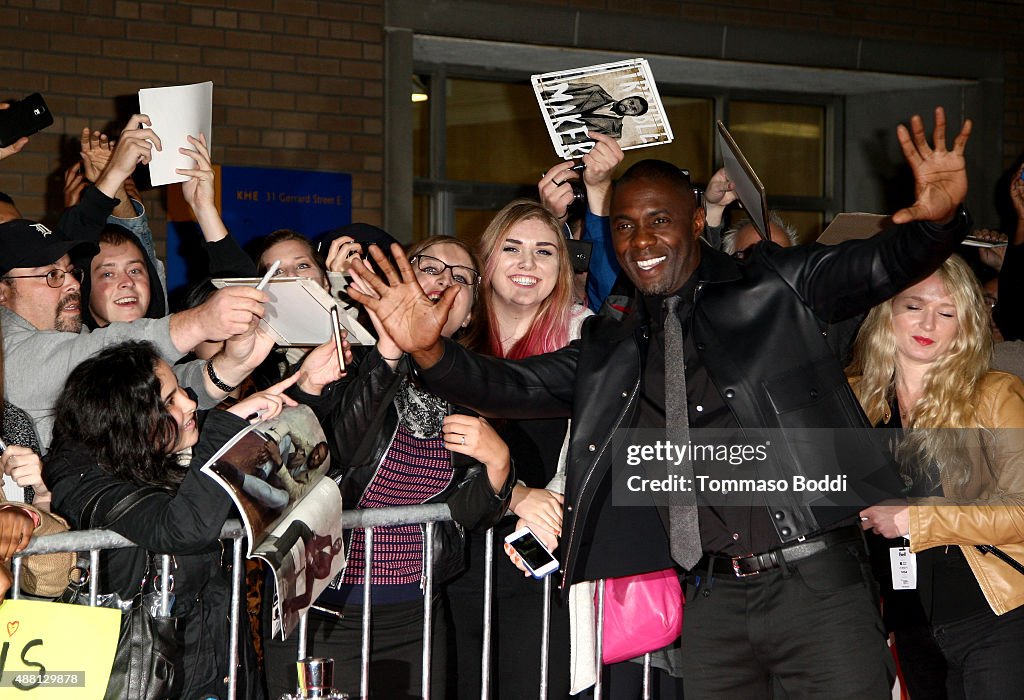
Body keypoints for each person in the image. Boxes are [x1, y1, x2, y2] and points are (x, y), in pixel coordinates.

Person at [348, 107, 973, 698]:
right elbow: (512, 386)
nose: (640, 238)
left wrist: (940, 223)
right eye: (623, 224)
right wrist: (429, 351)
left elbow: (878, 265)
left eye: (659, 220)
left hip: (815, 587)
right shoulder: (612, 340)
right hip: (709, 601)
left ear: (696, 221)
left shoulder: (777, 285)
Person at [263, 236, 515, 699]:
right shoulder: (349, 356)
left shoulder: (475, 386)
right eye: (431, 268)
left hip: (415, 612)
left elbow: (470, 514)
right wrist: (389, 354)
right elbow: (339, 453)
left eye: (461, 278)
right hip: (324, 609)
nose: (444, 280)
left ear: (470, 314)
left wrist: (500, 461)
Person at [43, 339, 320, 699]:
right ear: (130, 420)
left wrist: (309, 392)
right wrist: (225, 428)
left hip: (216, 665)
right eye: (170, 401)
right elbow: (184, 528)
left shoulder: (166, 447)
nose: (190, 403)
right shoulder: (81, 477)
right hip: (132, 675)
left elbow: (281, 479)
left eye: (182, 390)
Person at [850, 255, 1024, 698]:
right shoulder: (857, 402)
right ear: (886, 313)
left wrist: (917, 519)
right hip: (911, 626)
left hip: (998, 615)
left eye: (947, 312)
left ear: (964, 326)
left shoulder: (993, 395)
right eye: (913, 306)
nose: (929, 321)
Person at [448, 200, 589, 698]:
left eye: (544, 251)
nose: (527, 264)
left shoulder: (584, 336)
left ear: (562, 267)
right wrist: (515, 493)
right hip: (455, 552)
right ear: (487, 260)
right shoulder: (453, 338)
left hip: (541, 545)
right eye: (512, 248)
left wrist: (541, 501)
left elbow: (590, 444)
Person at [0, 217, 269, 449]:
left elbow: (149, 387)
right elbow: (98, 356)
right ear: (2, 292)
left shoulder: (72, 335)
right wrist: (200, 321)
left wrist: (233, 365)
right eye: (51, 275)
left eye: (70, 272)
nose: (71, 283)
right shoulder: (7, 354)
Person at [556, 83, 649, 140]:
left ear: (634, 116)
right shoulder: (595, 89)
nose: (629, 106)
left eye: (633, 109)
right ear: (627, 97)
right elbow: (561, 89)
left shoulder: (614, 133)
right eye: (631, 102)